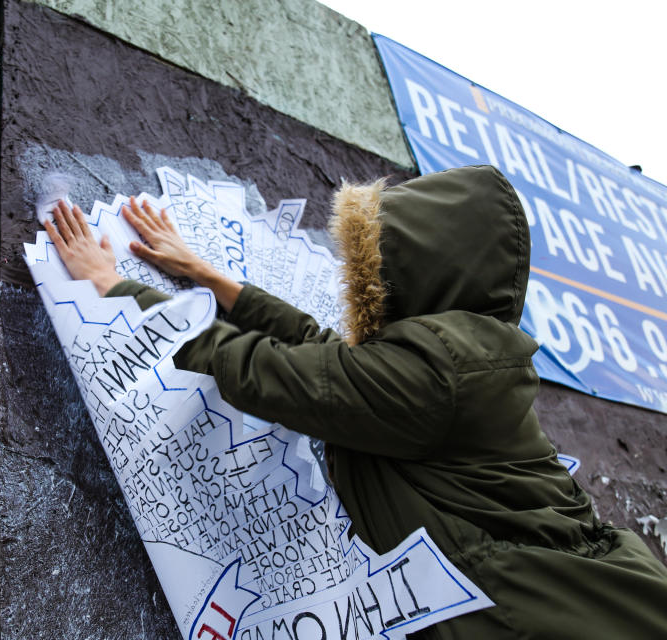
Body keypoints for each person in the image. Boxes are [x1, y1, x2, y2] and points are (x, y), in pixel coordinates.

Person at [42, 165, 667, 638]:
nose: (354, 278)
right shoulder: (459, 358)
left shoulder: (439, 374)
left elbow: (261, 371)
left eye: (370, 263)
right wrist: (210, 277)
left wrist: (113, 287)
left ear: (416, 270)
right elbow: (328, 356)